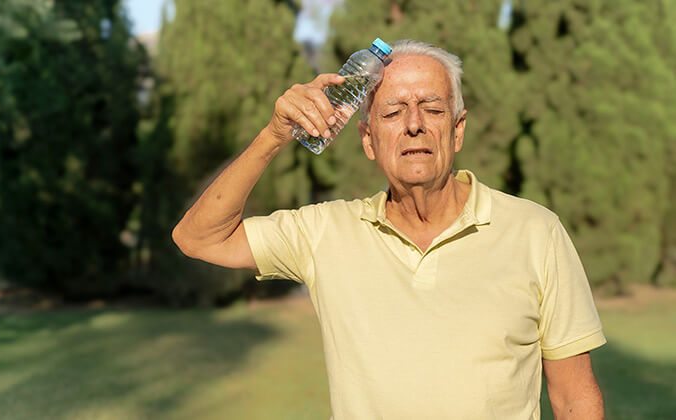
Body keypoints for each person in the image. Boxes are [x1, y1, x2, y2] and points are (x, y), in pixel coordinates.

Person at [172, 39, 606, 419]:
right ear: (367, 140)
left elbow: (573, 399)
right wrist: (274, 135)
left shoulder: (536, 232)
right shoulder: (324, 232)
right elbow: (198, 237)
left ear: (457, 131)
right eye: (393, 112)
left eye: (432, 108)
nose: (414, 124)